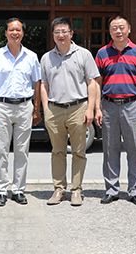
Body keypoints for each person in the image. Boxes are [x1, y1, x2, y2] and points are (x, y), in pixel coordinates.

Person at [40, 17, 100, 206]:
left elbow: (92, 83)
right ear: (53, 35)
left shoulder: (83, 54)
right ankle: (59, 189)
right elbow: (44, 85)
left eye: (64, 31)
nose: (61, 35)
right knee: (57, 151)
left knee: (79, 151)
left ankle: (76, 190)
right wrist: (46, 109)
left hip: (78, 108)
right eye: (57, 32)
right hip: (54, 109)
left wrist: (90, 108)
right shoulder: (46, 58)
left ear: (71, 33)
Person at [95, 15, 136, 206]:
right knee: (110, 149)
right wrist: (97, 107)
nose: (118, 31)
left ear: (129, 29)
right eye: (114, 28)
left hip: (131, 105)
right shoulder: (102, 53)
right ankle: (112, 189)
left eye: (121, 27)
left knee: (134, 149)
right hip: (109, 105)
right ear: (110, 31)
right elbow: (97, 82)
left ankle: (135, 190)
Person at [0, 17, 41, 207]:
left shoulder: (31, 57)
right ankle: (1, 190)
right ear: (6, 33)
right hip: (2, 106)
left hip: (25, 106)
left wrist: (36, 109)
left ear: (23, 33)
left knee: (22, 151)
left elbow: (37, 83)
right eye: (11, 30)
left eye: (18, 30)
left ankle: (18, 189)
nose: (15, 33)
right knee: (0, 150)